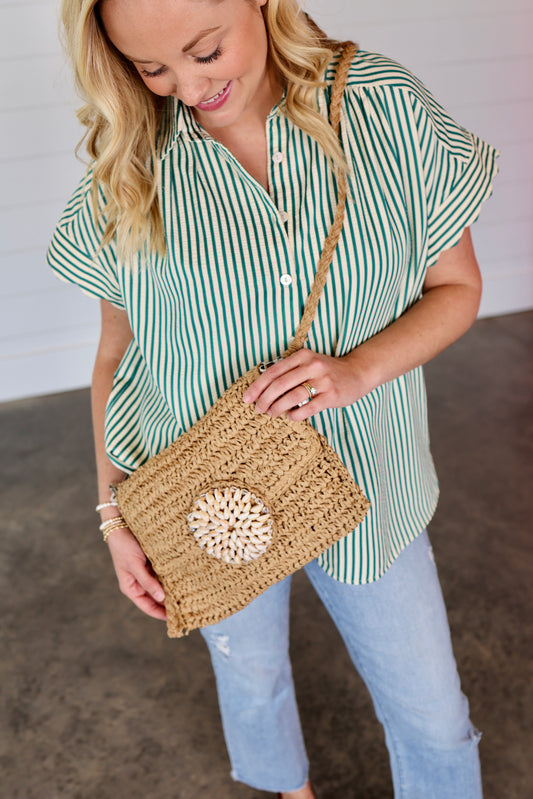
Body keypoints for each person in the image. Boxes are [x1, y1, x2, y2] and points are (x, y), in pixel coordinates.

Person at [48, 1, 499, 796]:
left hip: (370, 482)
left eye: (204, 51)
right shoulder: (130, 165)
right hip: (199, 497)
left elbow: (456, 287)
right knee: (250, 673)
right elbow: (117, 353)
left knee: (431, 715)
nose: (189, 87)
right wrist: (113, 510)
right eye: (152, 69)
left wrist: (357, 371)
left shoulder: (381, 106)